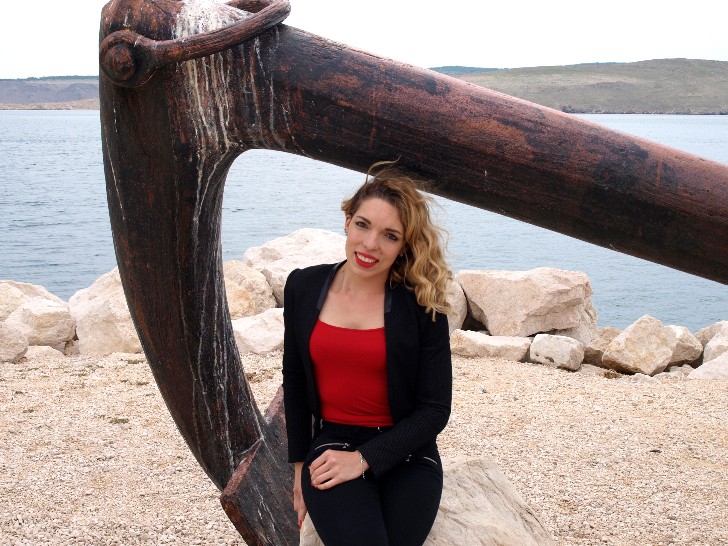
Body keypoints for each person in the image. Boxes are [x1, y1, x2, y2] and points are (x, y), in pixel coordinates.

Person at [282, 163, 453, 546]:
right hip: (333, 444)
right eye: (363, 225)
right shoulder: (303, 287)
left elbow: (435, 409)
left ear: (404, 245)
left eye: (390, 236)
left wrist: (364, 459)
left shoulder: (422, 306)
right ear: (347, 221)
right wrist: (299, 470)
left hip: (408, 452)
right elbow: (294, 379)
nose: (371, 244)